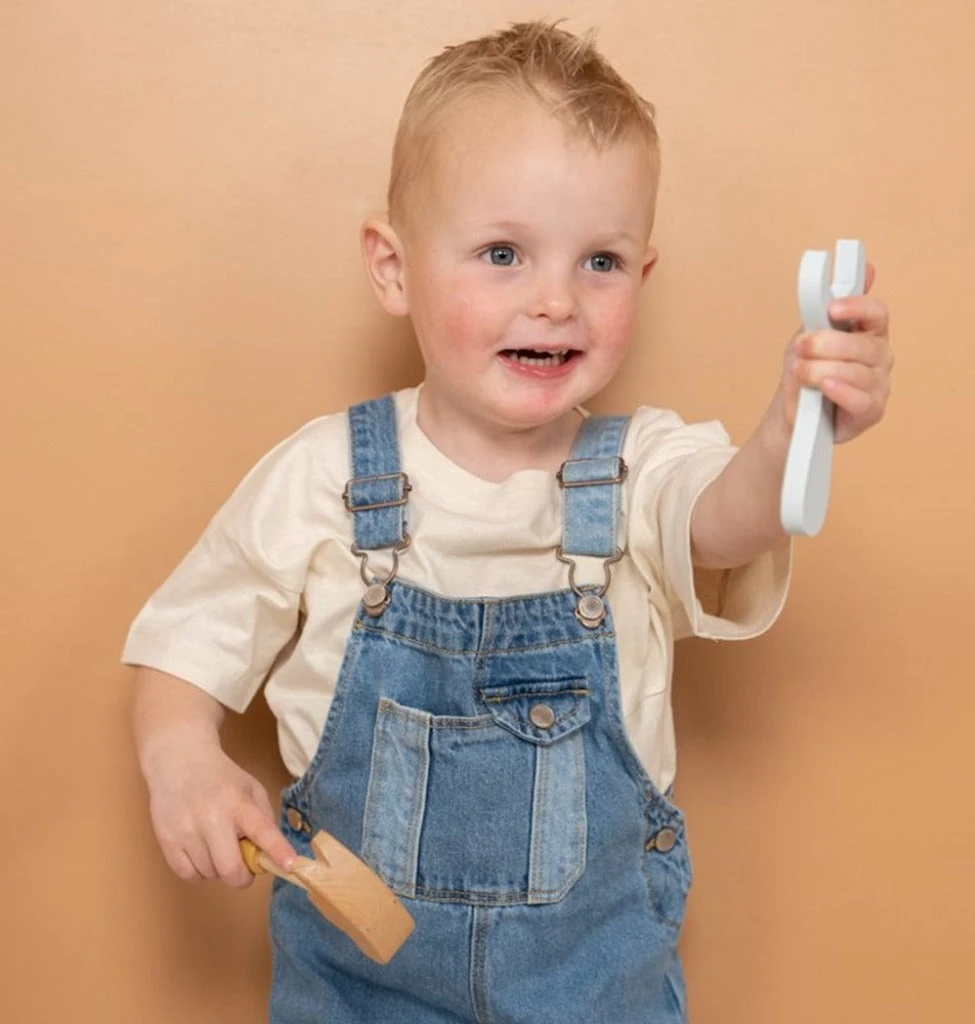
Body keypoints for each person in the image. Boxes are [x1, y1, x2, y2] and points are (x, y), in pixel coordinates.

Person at [124, 20, 892, 1023]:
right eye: (502, 252)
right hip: (360, 984)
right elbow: (184, 643)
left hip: (595, 981)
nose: (555, 300)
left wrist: (795, 429)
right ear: (393, 268)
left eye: (601, 262)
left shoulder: (636, 470)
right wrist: (180, 754)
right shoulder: (321, 477)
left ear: (642, 280)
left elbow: (721, 520)